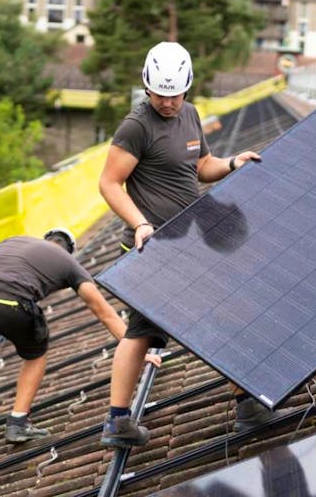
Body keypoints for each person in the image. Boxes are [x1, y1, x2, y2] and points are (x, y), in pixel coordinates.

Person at [98, 41, 268, 448]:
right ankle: (117, 421)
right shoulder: (136, 127)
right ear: (147, 86)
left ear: (187, 87)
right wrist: (139, 223)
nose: (169, 102)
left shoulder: (190, 115)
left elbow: (200, 167)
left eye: (174, 94)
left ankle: (245, 400)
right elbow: (108, 183)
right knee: (141, 332)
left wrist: (231, 164)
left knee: (222, 309)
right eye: (160, 94)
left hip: (190, 239)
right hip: (151, 244)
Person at [0, 229, 159, 467]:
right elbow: (103, 311)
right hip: (11, 300)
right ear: (70, 249)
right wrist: (137, 352)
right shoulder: (70, 264)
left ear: (46, 240)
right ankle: (18, 423)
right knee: (35, 354)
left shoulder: (13, 240)